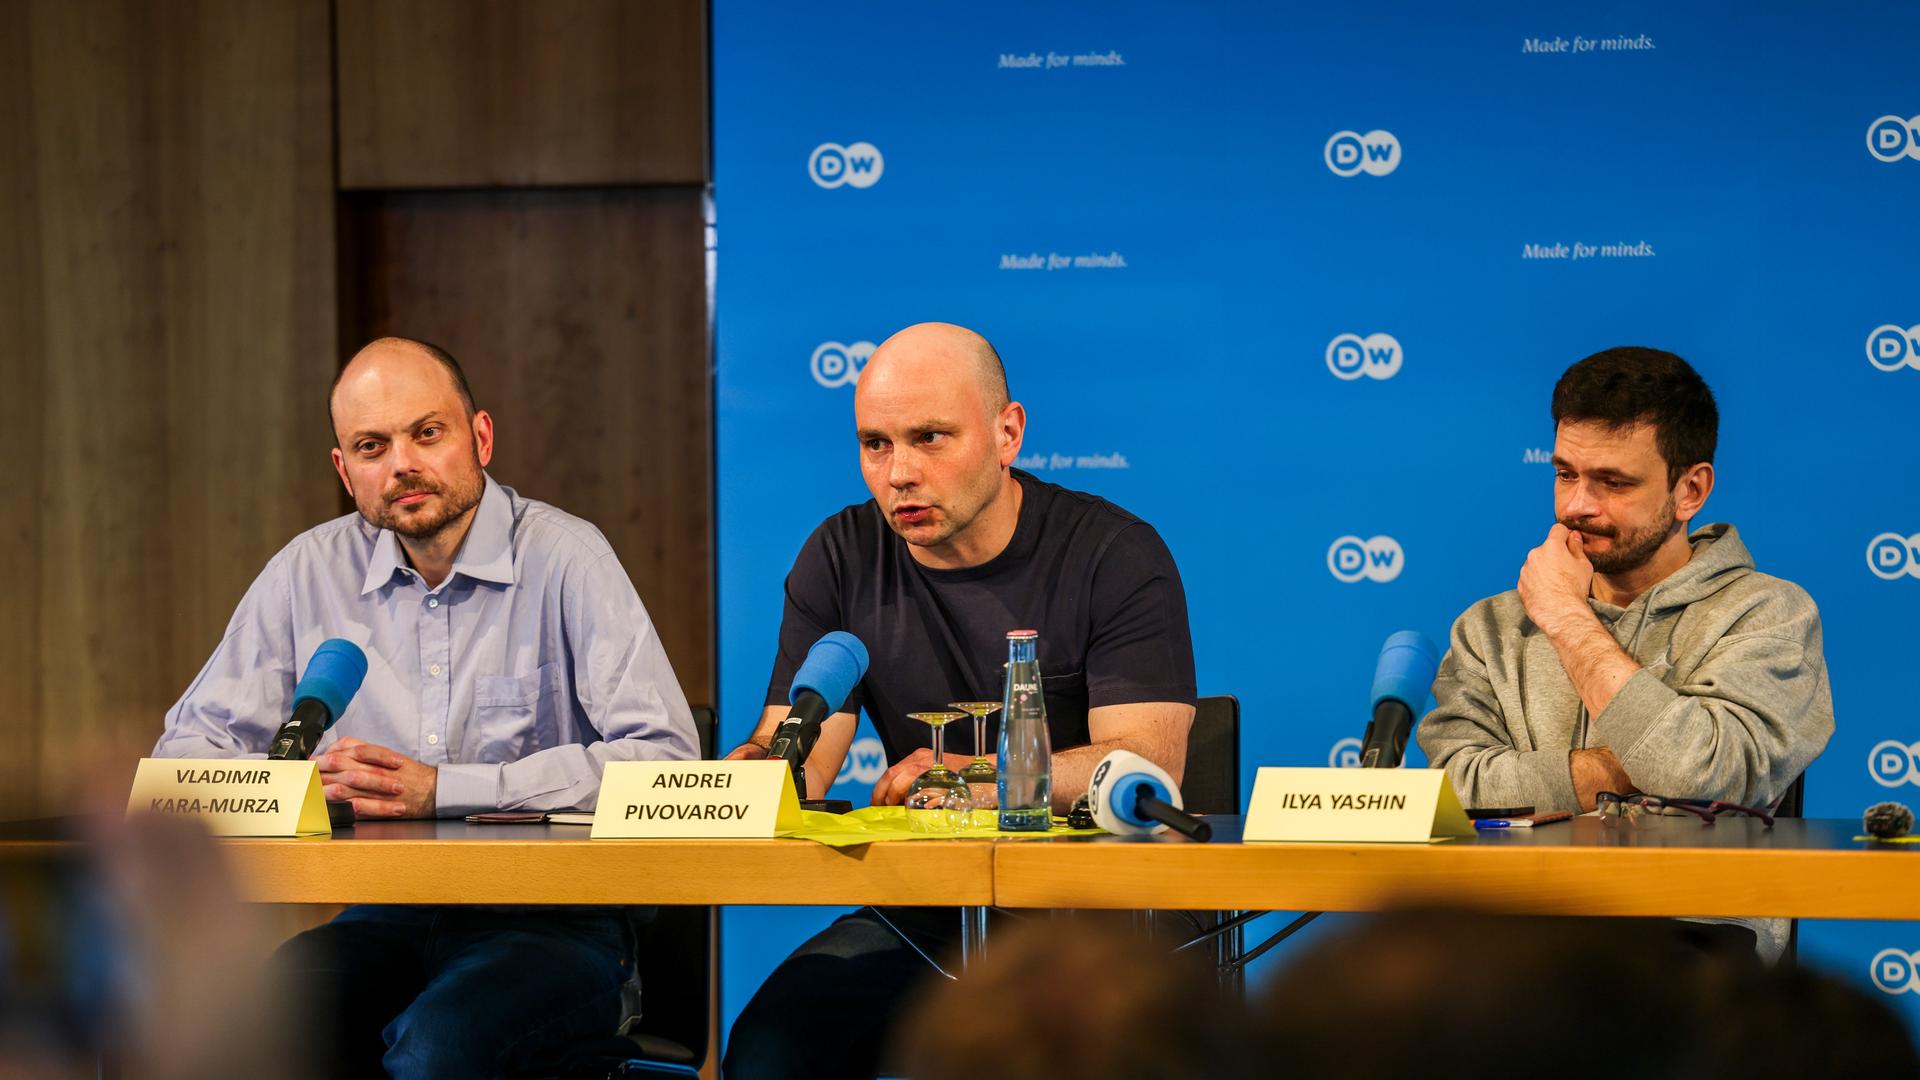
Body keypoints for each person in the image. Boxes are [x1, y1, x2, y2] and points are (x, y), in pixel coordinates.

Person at [152, 336, 698, 1079]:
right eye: (372, 446)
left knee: (434, 1049)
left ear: (480, 437)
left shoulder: (569, 558)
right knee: (238, 1032)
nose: (402, 463)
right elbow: (186, 755)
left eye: (426, 433)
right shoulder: (306, 571)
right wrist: (288, 786)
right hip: (382, 915)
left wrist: (446, 789)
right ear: (345, 472)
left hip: (556, 926)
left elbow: (666, 759)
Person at [721, 322, 1198, 1079]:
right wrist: (751, 774)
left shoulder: (1114, 553)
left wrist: (968, 780)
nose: (899, 473)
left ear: (1008, 433)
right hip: (931, 910)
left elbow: (1144, 758)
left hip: (1106, 910)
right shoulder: (841, 556)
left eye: (930, 438)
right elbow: (798, 763)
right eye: (875, 444)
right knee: (770, 1053)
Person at [1417, 346, 1834, 959]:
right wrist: (1621, 772)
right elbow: (1452, 793)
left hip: (1692, 949)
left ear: (1690, 489)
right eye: (1565, 474)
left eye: (1613, 482)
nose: (1576, 506)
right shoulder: (1491, 626)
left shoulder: (1769, 614)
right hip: (1514, 943)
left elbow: (1705, 774)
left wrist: (1566, 618)